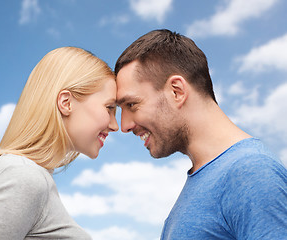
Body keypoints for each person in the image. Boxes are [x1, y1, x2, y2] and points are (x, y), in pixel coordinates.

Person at [114, 29, 287, 239]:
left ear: (176, 91)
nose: (124, 125)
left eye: (132, 104)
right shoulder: (206, 178)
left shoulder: (252, 172)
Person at [0, 47, 118, 239]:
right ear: (66, 102)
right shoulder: (23, 176)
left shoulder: (27, 174)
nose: (115, 125)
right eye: (110, 108)